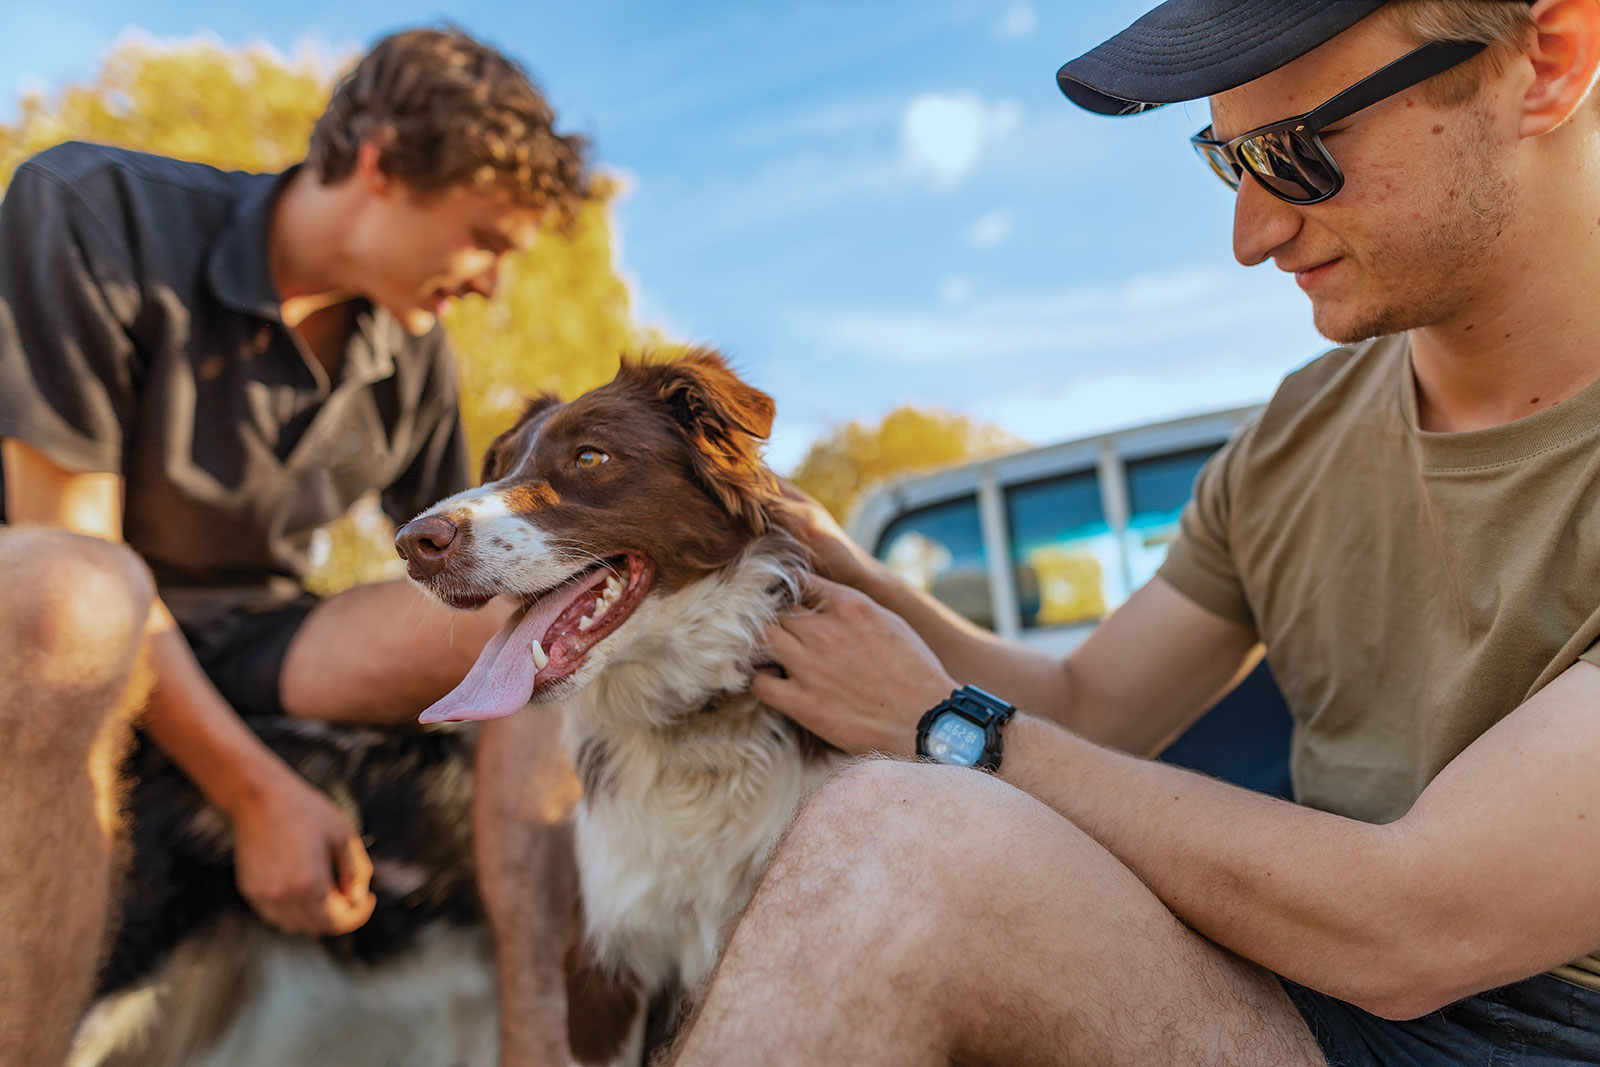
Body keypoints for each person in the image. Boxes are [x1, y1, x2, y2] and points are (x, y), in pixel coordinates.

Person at [664, 0, 1600, 1064]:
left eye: (1297, 152)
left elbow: (1415, 924)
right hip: (1308, 996)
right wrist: (835, 561)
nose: (1251, 235)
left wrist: (943, 726)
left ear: (1550, 62)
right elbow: (1089, 705)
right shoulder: (1297, 436)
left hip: (1530, 1020)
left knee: (898, 844)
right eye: (1225, 158)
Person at [0, 27, 586, 1067]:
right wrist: (257, 794)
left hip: (260, 633)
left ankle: (537, 1043)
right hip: (70, 615)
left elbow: (467, 559)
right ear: (383, 165)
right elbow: (70, 551)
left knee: (537, 599)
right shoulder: (89, 208)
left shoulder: (410, 350)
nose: (494, 282)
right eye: (486, 238)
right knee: (80, 598)